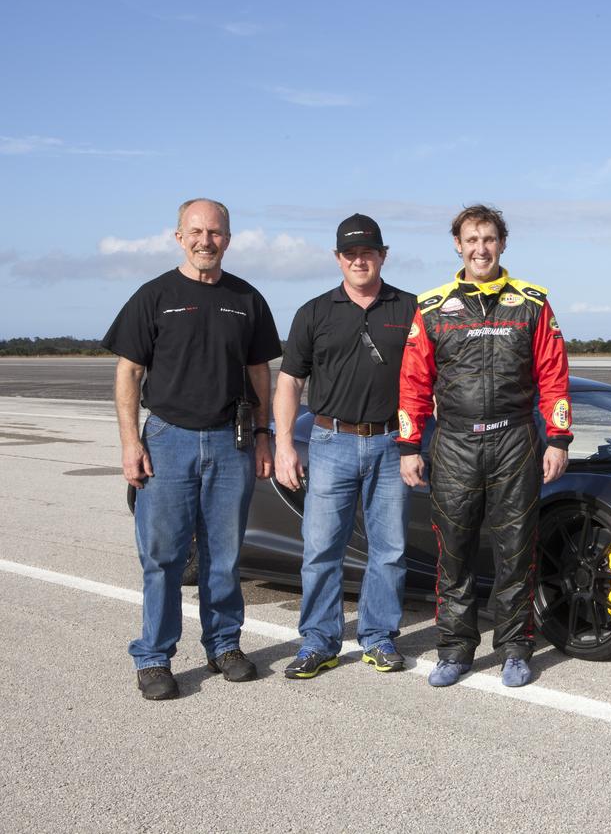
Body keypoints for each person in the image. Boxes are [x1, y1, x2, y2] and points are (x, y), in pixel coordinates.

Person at [103, 198, 280, 700]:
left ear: (229, 239)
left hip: (230, 442)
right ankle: (154, 657)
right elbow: (129, 372)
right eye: (196, 232)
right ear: (179, 236)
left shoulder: (246, 298)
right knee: (163, 556)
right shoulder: (154, 295)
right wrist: (130, 442)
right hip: (168, 439)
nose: (206, 241)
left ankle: (224, 646)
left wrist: (263, 434)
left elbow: (259, 372)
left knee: (223, 554)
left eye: (216, 232)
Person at [398, 204, 572, 689]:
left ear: (502, 244)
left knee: (516, 551)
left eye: (489, 239)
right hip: (454, 442)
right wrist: (409, 446)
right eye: (472, 240)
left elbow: (554, 376)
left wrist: (557, 439)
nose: (481, 249)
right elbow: (413, 382)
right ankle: (454, 650)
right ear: (458, 245)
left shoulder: (532, 302)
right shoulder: (432, 306)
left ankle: (516, 648)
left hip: (515, 440)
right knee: (453, 553)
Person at [273, 214, 416, 679]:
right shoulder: (314, 312)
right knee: (321, 549)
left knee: (389, 549)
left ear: (383, 256)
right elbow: (290, 381)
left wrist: (420, 439)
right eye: (350, 253)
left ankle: (378, 637)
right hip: (330, 441)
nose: (359, 260)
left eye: (367, 252)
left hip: (391, 443)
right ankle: (319, 641)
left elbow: (429, 380)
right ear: (338, 258)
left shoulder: (410, 309)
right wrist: (284, 444)